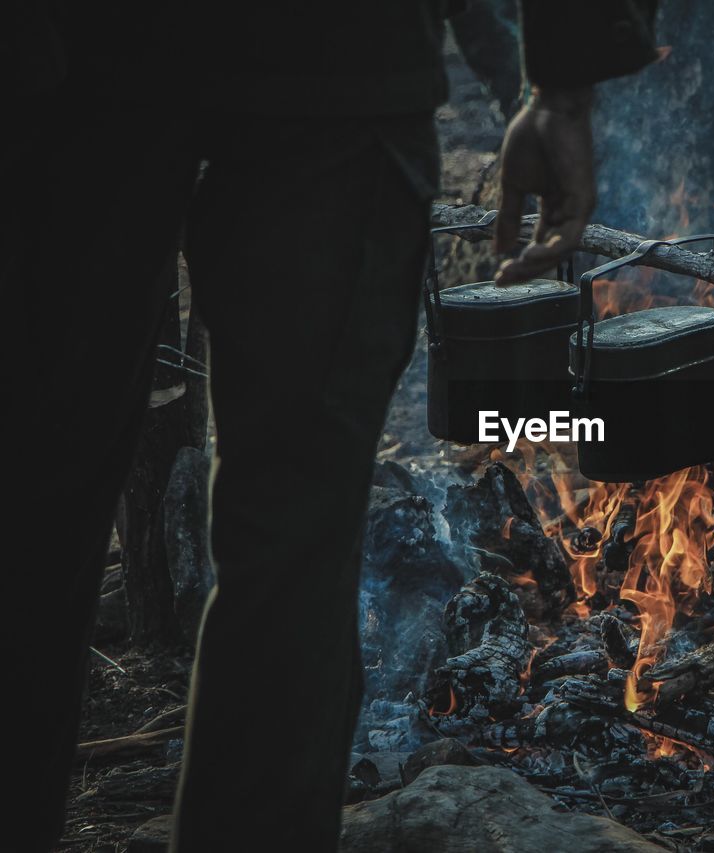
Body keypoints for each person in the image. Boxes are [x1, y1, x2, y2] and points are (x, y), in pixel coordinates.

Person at [1, 2, 658, 850]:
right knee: (289, 544)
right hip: (328, 62)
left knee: (27, 516)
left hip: (77, 64)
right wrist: (561, 82)